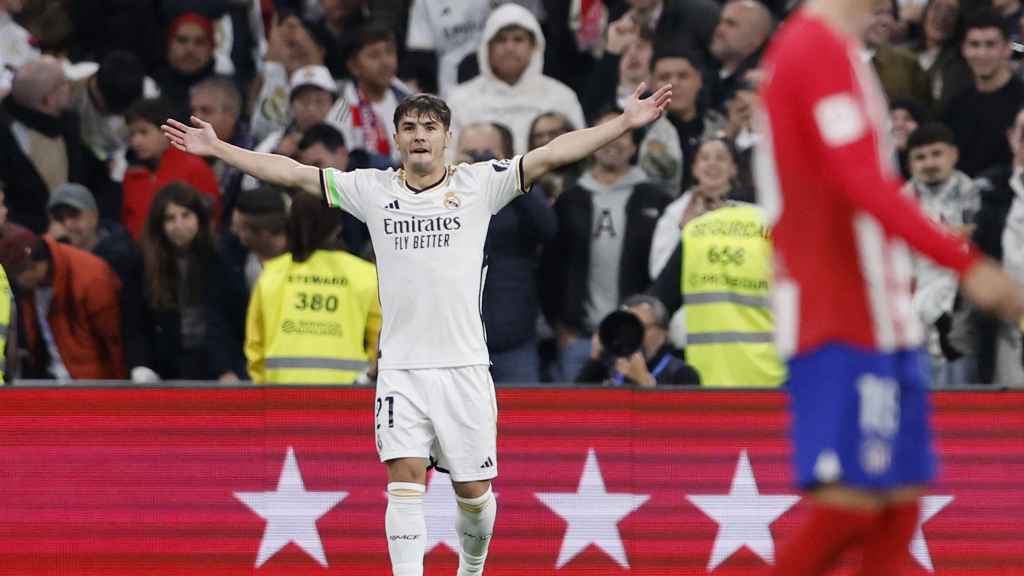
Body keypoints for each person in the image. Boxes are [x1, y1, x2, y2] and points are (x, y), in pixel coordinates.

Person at [163, 83, 671, 576]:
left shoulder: (479, 184)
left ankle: (471, 568)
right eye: (409, 127)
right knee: (405, 478)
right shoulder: (372, 188)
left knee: (474, 494)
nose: (420, 135)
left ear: (447, 137)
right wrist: (220, 148)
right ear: (399, 139)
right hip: (401, 368)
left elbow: (552, 153)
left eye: (430, 126)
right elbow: (294, 174)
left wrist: (623, 123)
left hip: (465, 366)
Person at [756, 0, 1024, 572]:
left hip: (883, 310)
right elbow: (858, 181)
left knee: (897, 506)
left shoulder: (845, 49)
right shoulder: (812, 48)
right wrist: (966, 262)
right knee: (852, 505)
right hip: (837, 310)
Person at [541, 108, 672, 384]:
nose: (614, 141)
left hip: (638, 339)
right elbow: (549, 269)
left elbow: (664, 270)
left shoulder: (656, 199)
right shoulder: (569, 200)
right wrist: (561, 327)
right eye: (606, 132)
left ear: (634, 144)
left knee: (639, 421)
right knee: (579, 421)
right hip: (579, 338)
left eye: (623, 133)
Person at [246, 192, 381, 384]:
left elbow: (255, 346)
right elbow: (379, 342)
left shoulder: (271, 273)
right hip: (347, 399)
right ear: (337, 227)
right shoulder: (366, 275)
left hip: (280, 396)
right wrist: (365, 381)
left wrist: (262, 386)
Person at [138, 182, 247, 381]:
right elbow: (139, 323)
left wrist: (227, 368)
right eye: (170, 218)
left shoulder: (221, 257)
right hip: (168, 368)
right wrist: (142, 367)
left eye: (186, 215)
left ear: (199, 217)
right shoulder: (145, 262)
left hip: (217, 364)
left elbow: (231, 318)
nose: (179, 225)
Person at [903, 123, 980, 387]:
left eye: (937, 154)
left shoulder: (975, 195)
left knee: (961, 409)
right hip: (912, 320)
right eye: (920, 157)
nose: (929, 163)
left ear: (954, 155)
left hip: (961, 320)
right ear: (910, 163)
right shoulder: (899, 203)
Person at [0, 223, 126, 381]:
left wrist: (120, 392)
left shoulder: (92, 278)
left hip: (91, 384)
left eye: (14, 275)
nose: (13, 282)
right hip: (50, 380)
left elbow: (115, 344)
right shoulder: (32, 287)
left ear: (33, 266)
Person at [122, 97, 221, 239]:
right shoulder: (131, 174)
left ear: (165, 132)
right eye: (132, 134)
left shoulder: (194, 167)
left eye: (144, 132)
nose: (136, 141)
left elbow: (212, 218)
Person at [576, 294, 700, 386]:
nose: (632, 335)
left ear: (663, 333)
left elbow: (682, 419)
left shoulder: (682, 374)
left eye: (640, 327)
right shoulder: (608, 369)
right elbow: (574, 410)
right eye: (626, 328)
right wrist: (595, 361)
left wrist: (643, 382)